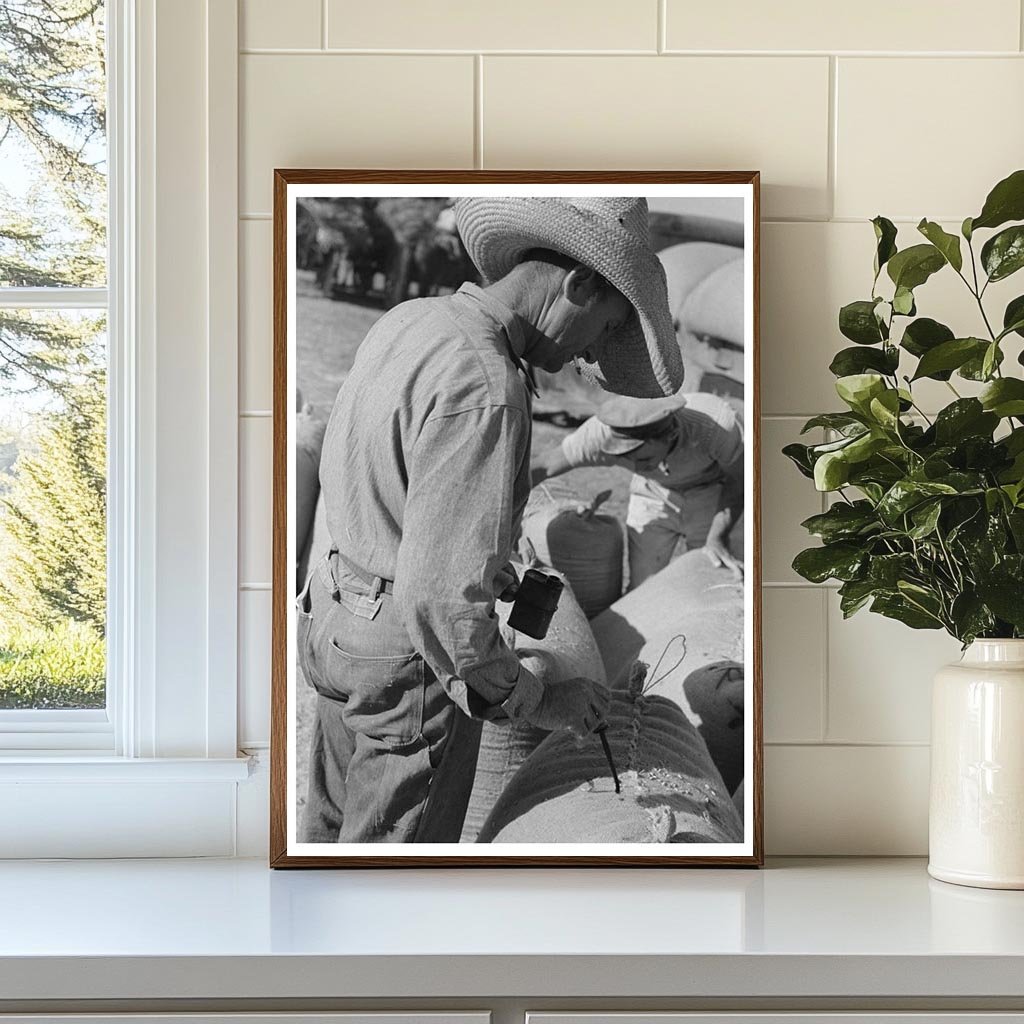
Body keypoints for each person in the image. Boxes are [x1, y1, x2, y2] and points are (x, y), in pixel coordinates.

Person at [299, 196, 684, 843]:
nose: (593, 356)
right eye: (609, 328)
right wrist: (540, 699)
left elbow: (390, 482)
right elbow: (440, 602)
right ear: (579, 284)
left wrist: (488, 564)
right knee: (392, 877)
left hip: (338, 618)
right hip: (406, 665)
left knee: (330, 836)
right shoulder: (487, 386)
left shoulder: (410, 321)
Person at [531, 390, 744, 589]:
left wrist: (718, 536)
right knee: (643, 585)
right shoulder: (601, 434)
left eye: (644, 459)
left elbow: (741, 478)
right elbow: (544, 465)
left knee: (712, 578)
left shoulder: (715, 425)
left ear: (670, 435)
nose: (637, 467)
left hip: (712, 493)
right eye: (626, 459)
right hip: (652, 491)